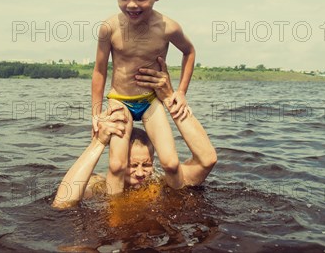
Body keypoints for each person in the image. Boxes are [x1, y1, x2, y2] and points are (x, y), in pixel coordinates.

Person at [91, 0, 196, 195]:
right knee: (117, 165)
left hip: (150, 101)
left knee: (170, 162)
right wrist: (96, 113)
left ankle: (176, 203)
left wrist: (180, 92)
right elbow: (99, 71)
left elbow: (189, 52)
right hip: (120, 101)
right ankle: (115, 215)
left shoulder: (168, 27)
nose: (131, 4)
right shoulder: (109, 28)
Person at [53, 57, 216, 209]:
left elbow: (207, 160)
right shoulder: (101, 185)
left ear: (153, 161)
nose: (140, 174)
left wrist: (170, 99)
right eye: (132, 165)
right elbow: (62, 203)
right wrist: (98, 143)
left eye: (146, 165)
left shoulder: (160, 182)